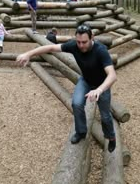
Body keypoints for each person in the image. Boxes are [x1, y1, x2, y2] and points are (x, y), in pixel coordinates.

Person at [16, 24, 117, 152]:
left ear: (92, 38)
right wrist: (29, 54)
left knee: (105, 116)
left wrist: (99, 90)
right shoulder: (74, 46)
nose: (80, 45)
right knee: (76, 103)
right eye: (78, 42)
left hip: (102, 85)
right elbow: (51, 47)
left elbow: (112, 75)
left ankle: (111, 137)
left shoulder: (100, 50)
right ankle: (81, 132)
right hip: (85, 81)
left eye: (84, 42)